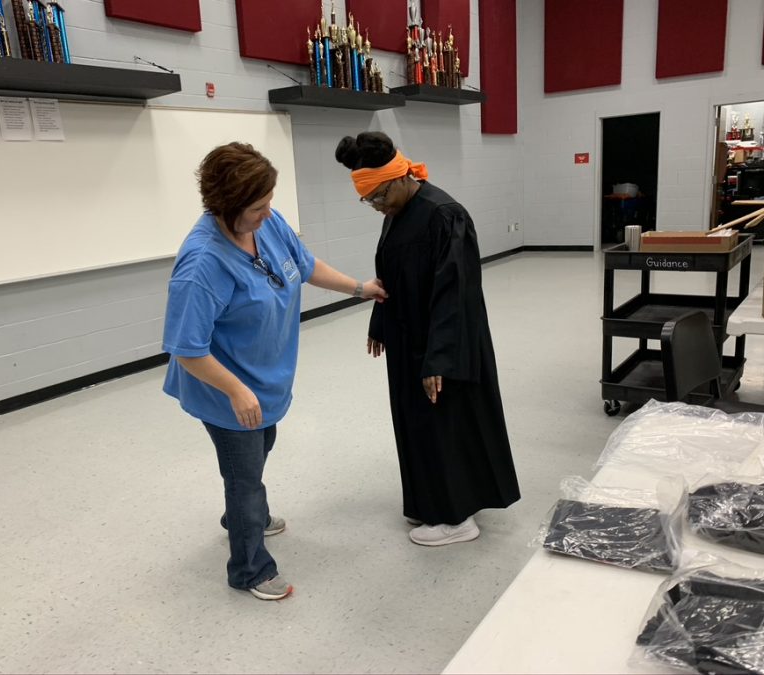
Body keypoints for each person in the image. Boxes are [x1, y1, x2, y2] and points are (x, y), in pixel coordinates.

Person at [162, 142, 386, 600]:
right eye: (257, 208)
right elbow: (187, 349)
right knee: (244, 477)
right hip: (224, 388)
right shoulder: (202, 264)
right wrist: (237, 391)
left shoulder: (266, 223)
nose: (267, 214)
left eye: (268, 203)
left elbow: (302, 266)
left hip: (264, 379)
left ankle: (248, 515)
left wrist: (359, 288)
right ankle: (249, 569)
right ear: (225, 205)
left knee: (263, 444)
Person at [334, 131, 520, 546]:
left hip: (443, 343)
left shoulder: (444, 214)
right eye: (370, 201)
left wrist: (438, 358)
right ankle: (428, 502)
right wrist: (379, 323)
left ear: (401, 178)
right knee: (415, 423)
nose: (377, 207)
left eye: (379, 196)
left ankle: (456, 518)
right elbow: (390, 276)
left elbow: (457, 293)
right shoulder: (397, 212)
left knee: (444, 424)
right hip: (407, 340)